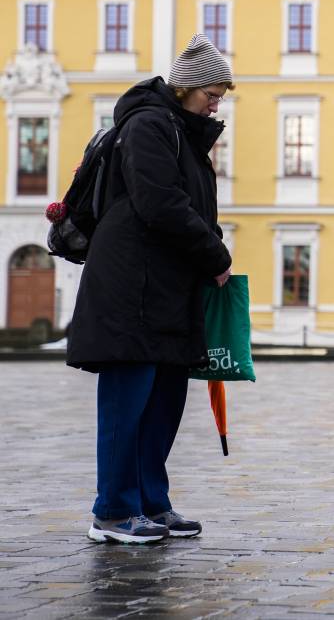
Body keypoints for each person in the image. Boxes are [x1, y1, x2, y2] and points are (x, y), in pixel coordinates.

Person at [67, 34, 233, 544]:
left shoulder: (182, 133)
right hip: (129, 289)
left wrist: (208, 246)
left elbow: (192, 209)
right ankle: (113, 512)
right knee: (127, 403)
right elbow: (159, 203)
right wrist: (214, 254)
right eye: (212, 91)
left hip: (165, 289)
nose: (217, 101)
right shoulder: (149, 125)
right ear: (186, 86)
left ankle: (151, 504)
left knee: (162, 403)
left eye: (222, 94)